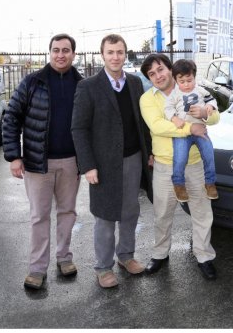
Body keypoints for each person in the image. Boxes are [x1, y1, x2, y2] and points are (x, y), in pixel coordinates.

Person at [71, 34, 153, 289]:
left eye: (120, 52)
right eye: (110, 52)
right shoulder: (88, 86)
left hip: (133, 159)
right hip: (103, 164)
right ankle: (103, 267)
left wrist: (148, 151)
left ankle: (126, 256)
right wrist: (88, 166)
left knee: (130, 211)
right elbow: (79, 129)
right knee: (105, 215)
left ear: (125, 54)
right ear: (102, 55)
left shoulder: (135, 83)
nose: (115, 57)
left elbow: (142, 121)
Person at [3, 33, 83, 290]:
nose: (61, 54)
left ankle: (64, 258)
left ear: (73, 53)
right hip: (38, 164)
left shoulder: (82, 84)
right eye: (56, 50)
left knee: (68, 212)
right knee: (39, 216)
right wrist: (14, 156)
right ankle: (37, 269)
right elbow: (11, 117)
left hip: (71, 162)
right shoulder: (32, 82)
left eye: (66, 50)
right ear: (49, 53)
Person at [139, 54, 219, 280]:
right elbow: (157, 126)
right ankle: (160, 254)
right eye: (151, 74)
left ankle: (204, 256)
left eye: (160, 69)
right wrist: (189, 129)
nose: (158, 76)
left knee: (202, 213)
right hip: (165, 165)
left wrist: (205, 114)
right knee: (162, 214)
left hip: (195, 165)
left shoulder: (192, 87)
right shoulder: (147, 99)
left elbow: (215, 118)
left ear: (170, 68)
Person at [164, 59, 218, 202]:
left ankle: (210, 183)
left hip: (201, 131)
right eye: (182, 82)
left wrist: (210, 108)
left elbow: (212, 99)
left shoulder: (200, 90)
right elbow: (167, 109)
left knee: (209, 154)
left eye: (189, 80)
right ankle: (178, 184)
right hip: (183, 132)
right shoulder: (174, 94)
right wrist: (175, 119)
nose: (186, 85)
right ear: (175, 80)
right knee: (180, 158)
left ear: (194, 77)